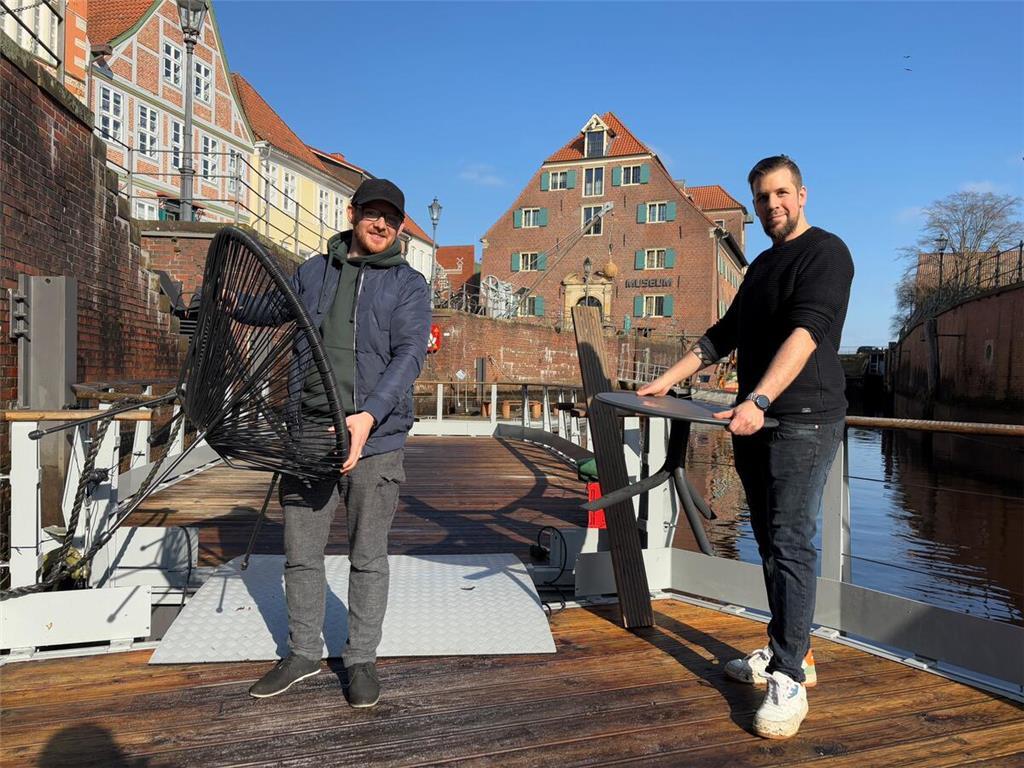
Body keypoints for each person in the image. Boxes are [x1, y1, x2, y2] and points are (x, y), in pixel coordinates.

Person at [639, 155, 853, 739]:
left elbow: (808, 332)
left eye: (781, 194)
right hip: (753, 419)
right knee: (766, 539)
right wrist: (667, 379)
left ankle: (790, 676)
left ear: (802, 195)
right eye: (761, 198)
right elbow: (721, 335)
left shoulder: (826, 254)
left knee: (789, 541)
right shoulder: (760, 264)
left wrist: (757, 400)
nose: (771, 206)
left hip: (801, 419)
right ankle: (794, 652)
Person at [245, 179, 430, 707]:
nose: (381, 226)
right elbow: (275, 307)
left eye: (391, 220)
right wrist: (230, 302)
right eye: (373, 214)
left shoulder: (409, 286)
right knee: (300, 553)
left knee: (368, 555)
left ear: (399, 228)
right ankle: (303, 652)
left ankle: (361, 659)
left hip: (376, 438)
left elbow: (409, 356)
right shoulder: (313, 270)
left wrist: (368, 416)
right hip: (307, 430)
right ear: (352, 214)